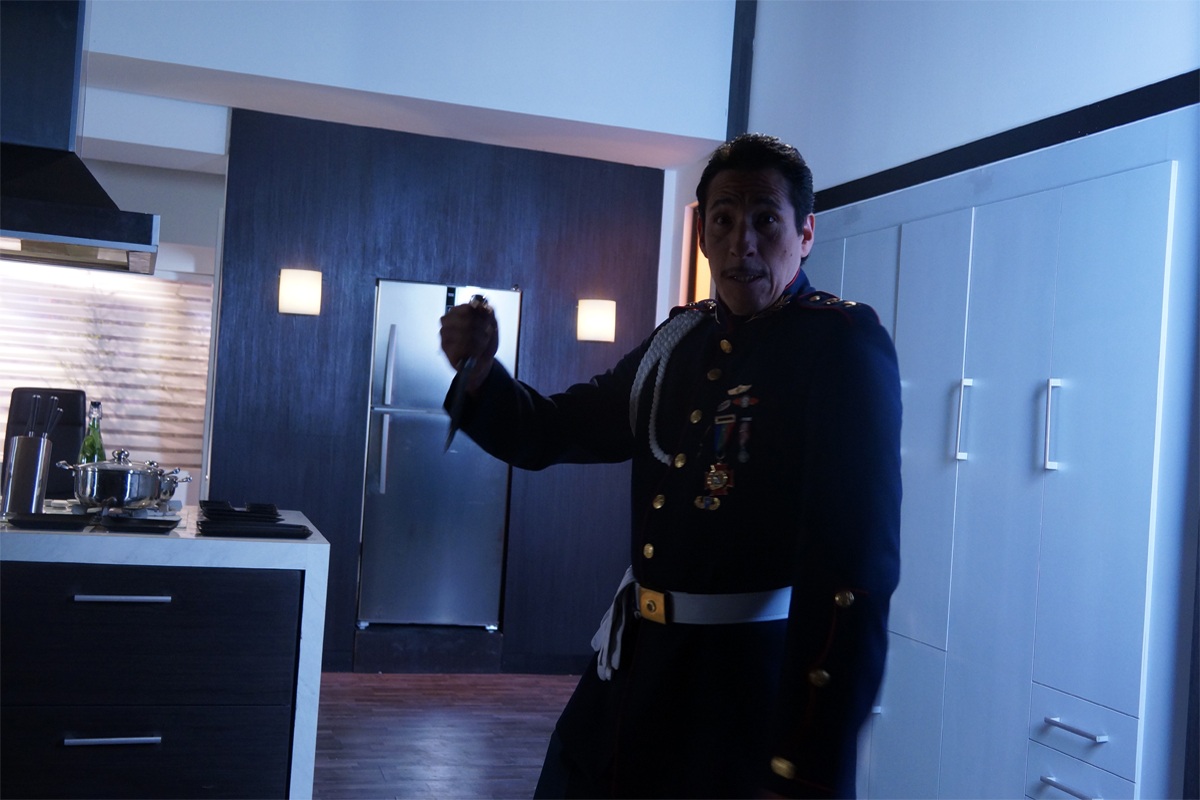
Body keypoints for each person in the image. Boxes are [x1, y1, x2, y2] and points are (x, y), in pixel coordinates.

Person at [440, 134, 901, 799]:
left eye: (765, 219)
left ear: (804, 234)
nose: (742, 241)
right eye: (723, 219)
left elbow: (850, 579)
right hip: (637, 672)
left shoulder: (839, 346)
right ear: (703, 236)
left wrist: (802, 764)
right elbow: (558, 429)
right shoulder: (679, 340)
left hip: (744, 693)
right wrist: (483, 375)